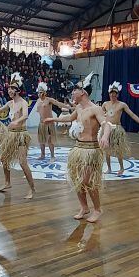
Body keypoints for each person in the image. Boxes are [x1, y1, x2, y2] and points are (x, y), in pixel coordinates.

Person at [42, 76, 112, 222]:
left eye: (75, 90)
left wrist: (105, 137)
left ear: (83, 93)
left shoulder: (95, 109)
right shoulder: (79, 108)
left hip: (91, 150)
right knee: (77, 180)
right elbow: (69, 118)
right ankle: (84, 207)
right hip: (78, 148)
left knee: (88, 181)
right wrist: (53, 119)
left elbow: (106, 124)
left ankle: (98, 209)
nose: (72, 93)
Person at [0, 73, 35, 199]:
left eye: (12, 88)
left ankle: (32, 189)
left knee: (23, 162)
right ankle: (7, 183)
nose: (9, 90)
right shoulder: (9, 103)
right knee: (3, 158)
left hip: (21, 135)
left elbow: (25, 115)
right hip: (11, 135)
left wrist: (16, 122)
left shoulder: (23, 102)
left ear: (18, 91)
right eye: (9, 88)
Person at [102, 82, 139, 175]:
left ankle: (121, 168)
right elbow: (100, 115)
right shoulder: (105, 104)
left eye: (114, 93)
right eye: (111, 93)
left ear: (117, 94)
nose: (113, 95)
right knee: (106, 149)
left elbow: (132, 115)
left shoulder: (122, 104)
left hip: (117, 129)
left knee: (118, 149)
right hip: (106, 128)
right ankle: (109, 168)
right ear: (109, 94)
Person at [33, 81, 69, 161]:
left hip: (49, 124)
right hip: (42, 123)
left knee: (50, 140)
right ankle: (42, 155)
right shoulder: (38, 101)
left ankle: (52, 156)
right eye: (38, 92)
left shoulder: (49, 100)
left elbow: (58, 103)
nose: (39, 94)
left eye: (41, 92)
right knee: (41, 140)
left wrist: (68, 107)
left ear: (44, 93)